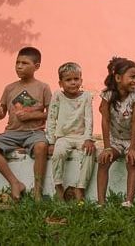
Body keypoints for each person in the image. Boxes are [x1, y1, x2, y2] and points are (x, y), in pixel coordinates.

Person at [0, 46, 51, 201]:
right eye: (17, 62)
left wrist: (32, 116)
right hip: (12, 133)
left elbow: (52, 114)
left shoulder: (43, 88)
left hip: (35, 132)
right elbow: (2, 112)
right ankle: (15, 183)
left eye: (24, 63)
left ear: (36, 67)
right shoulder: (10, 88)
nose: (19, 66)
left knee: (41, 147)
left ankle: (37, 191)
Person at [97, 57, 135, 206]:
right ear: (118, 78)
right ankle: (101, 202)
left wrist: (132, 147)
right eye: (132, 77)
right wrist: (106, 147)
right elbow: (105, 121)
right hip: (115, 139)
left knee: (132, 160)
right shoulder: (107, 95)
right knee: (103, 161)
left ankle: (129, 201)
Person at [45, 62, 95, 202]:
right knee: (58, 153)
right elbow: (51, 118)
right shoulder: (57, 96)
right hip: (63, 137)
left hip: (81, 137)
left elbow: (89, 118)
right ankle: (59, 186)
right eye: (68, 80)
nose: (73, 83)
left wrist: (88, 138)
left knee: (89, 152)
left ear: (81, 80)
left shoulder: (86, 96)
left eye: (76, 79)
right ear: (60, 83)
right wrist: (51, 142)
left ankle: (81, 188)